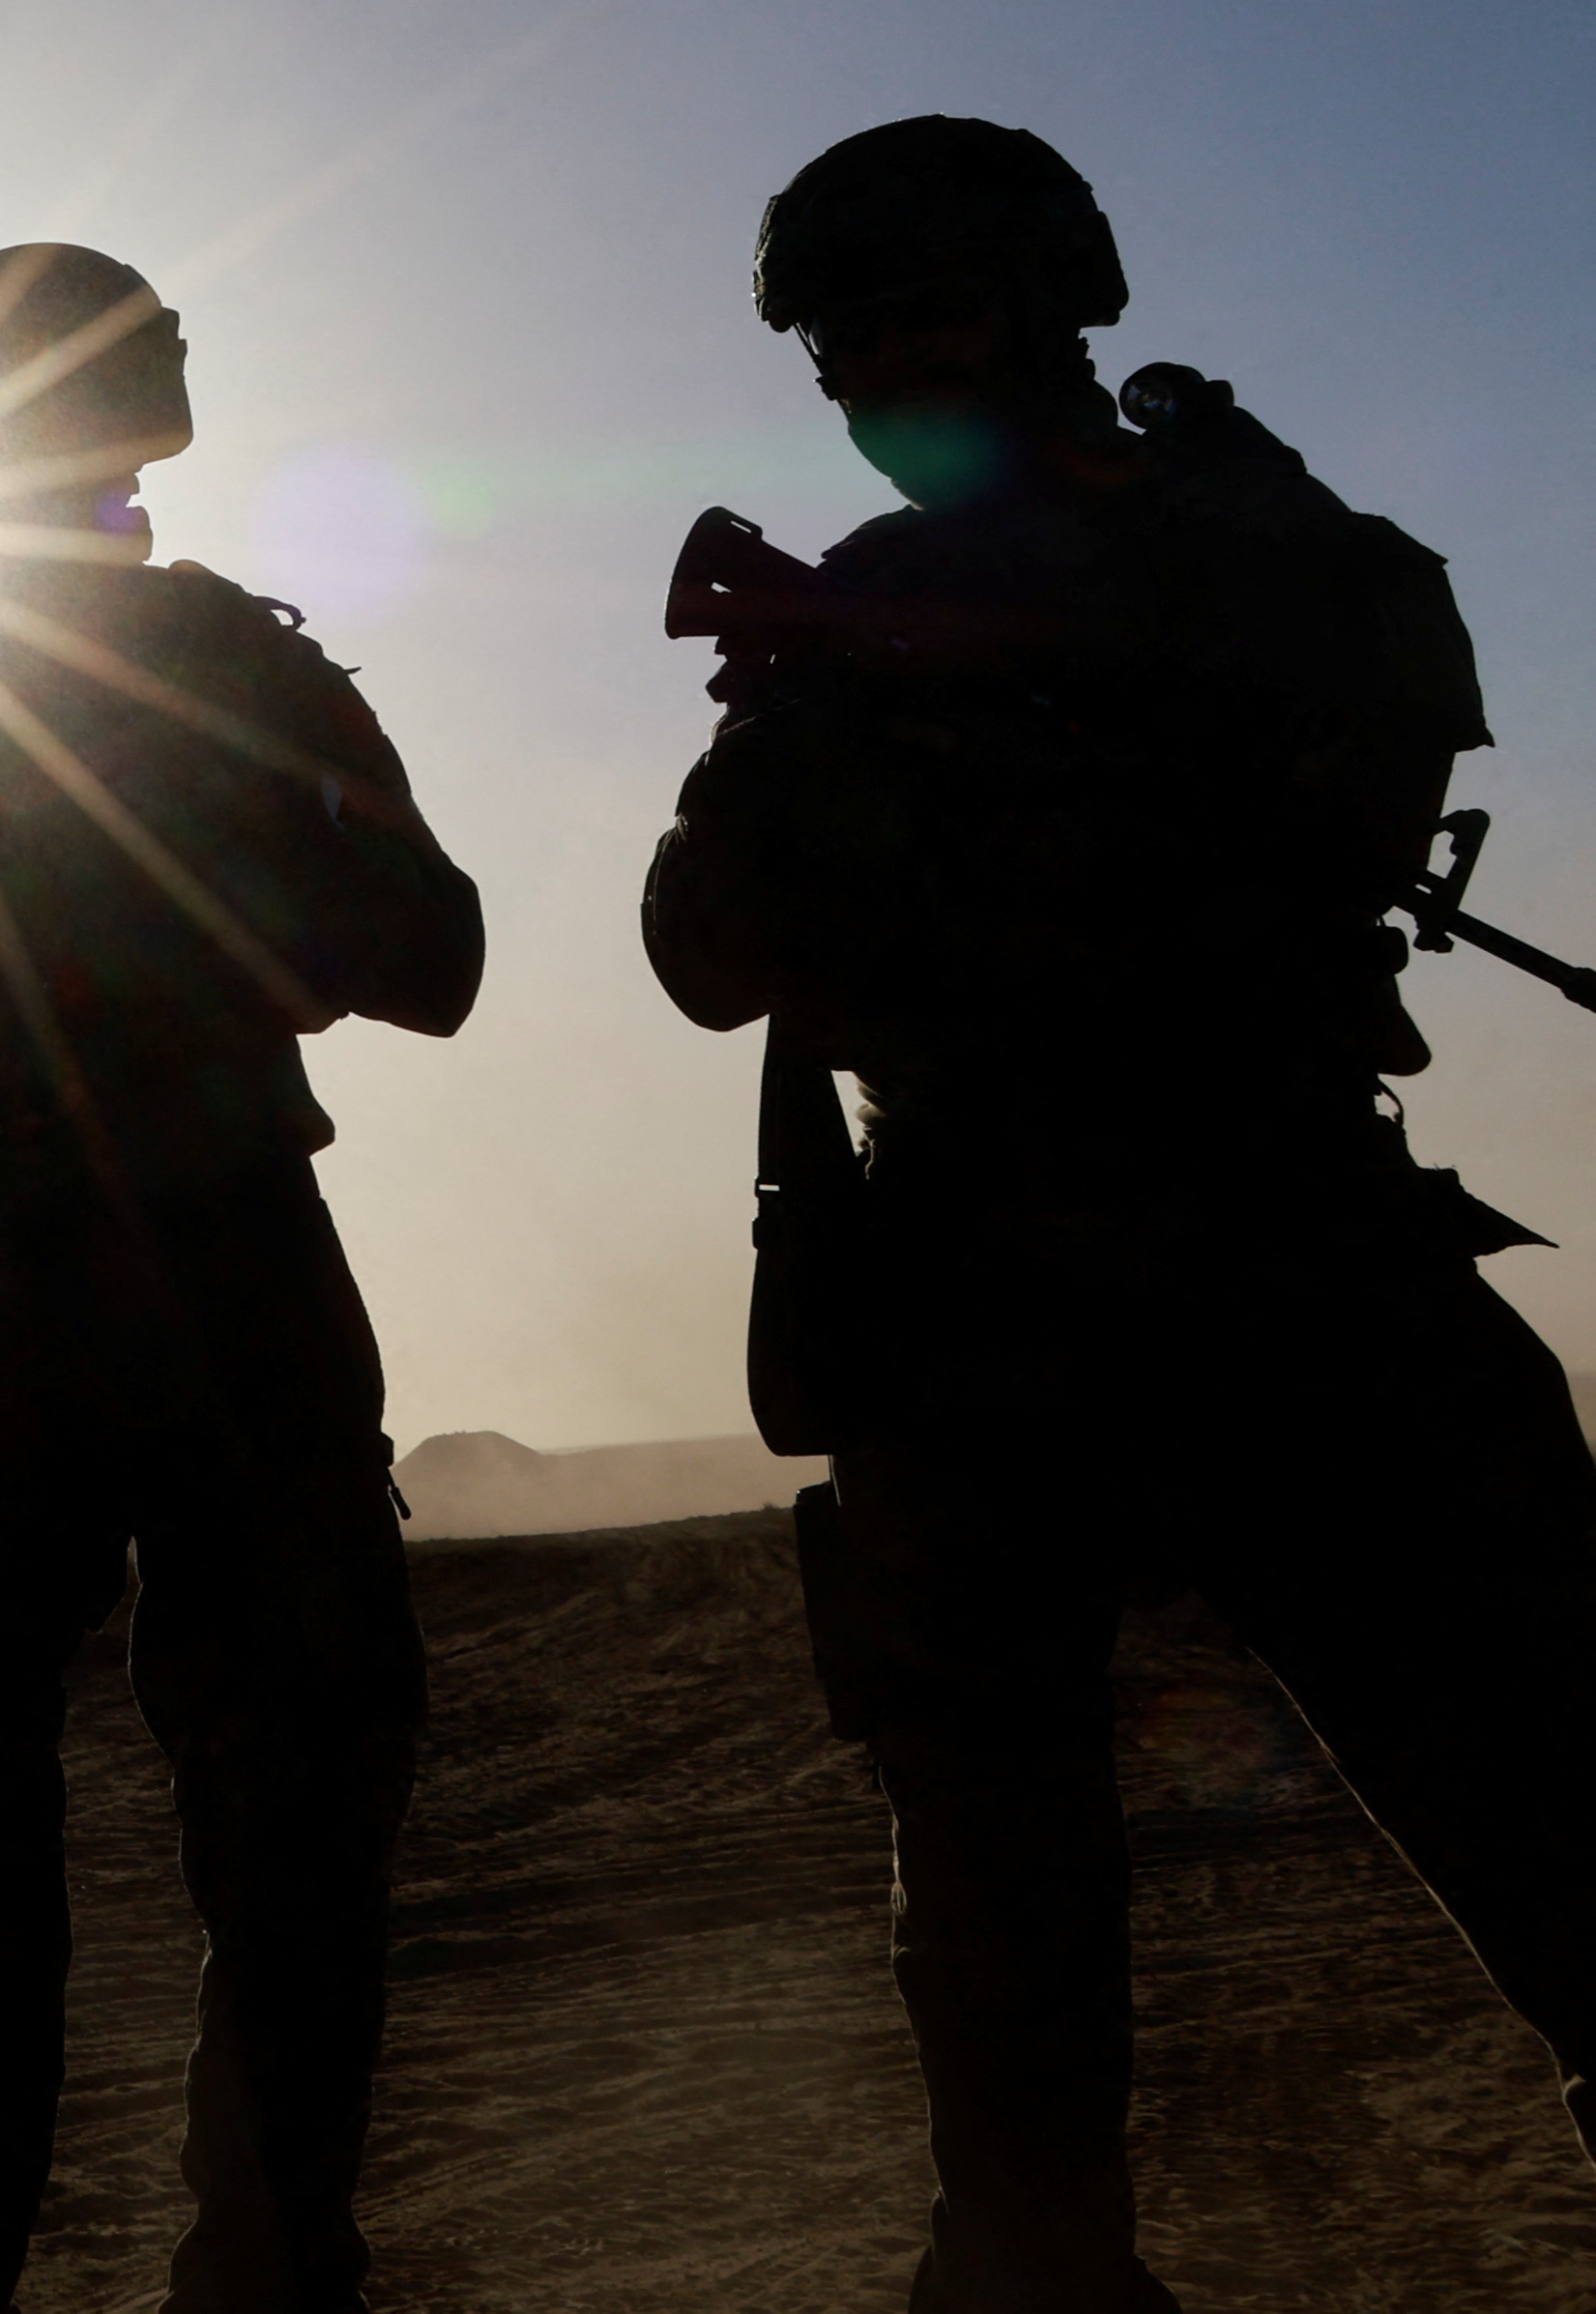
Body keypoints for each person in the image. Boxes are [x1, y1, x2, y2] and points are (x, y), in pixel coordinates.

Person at [643, 117, 1596, 2314]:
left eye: (924, 311)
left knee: (1549, 1811)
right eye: (845, 332)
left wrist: (1020, 733)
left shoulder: (1233, 542)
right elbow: (705, 945)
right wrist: (829, 726)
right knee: (997, 1946)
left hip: (1278, 1250)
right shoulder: (866, 603)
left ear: (1048, 306)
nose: (882, 362)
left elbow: (1359, 760)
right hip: (984, 1287)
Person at [0, 244, 483, 2314]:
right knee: (54, 1848)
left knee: (235, 1827)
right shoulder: (171, 675)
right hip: (107, 1296)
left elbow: (424, 953)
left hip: (102, 1299)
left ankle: (216, 2260)